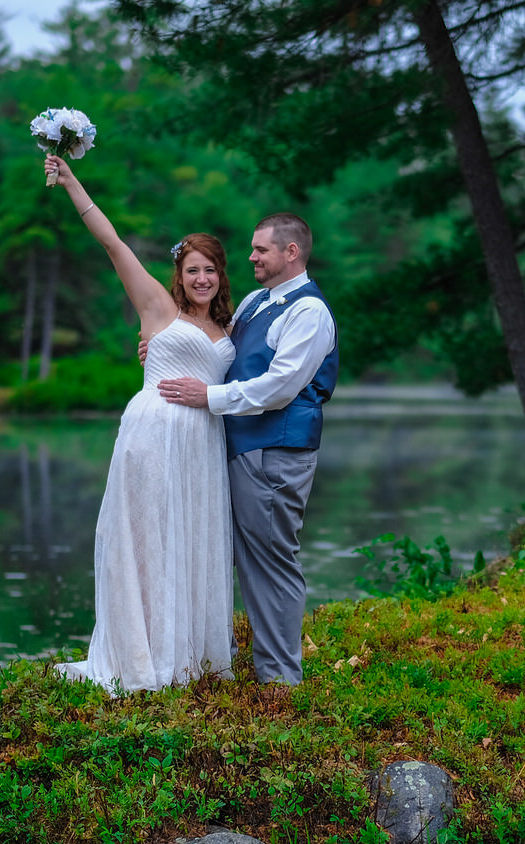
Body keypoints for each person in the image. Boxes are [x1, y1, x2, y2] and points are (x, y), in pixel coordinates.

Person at [44, 154, 234, 690]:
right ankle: (140, 654)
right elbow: (113, 243)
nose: (201, 278)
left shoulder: (229, 326)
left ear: (221, 277)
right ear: (180, 275)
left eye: (210, 269)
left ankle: (188, 651)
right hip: (154, 435)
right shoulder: (157, 308)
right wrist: (72, 182)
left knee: (189, 539)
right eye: (192, 269)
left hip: (201, 444)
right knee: (147, 538)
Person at [158, 214, 338, 686]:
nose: (252, 257)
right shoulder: (259, 302)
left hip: (277, 453)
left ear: (291, 252)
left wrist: (208, 398)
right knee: (230, 554)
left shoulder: (309, 312)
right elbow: (214, 344)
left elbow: (280, 387)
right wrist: (163, 348)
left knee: (272, 559)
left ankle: (280, 681)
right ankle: (225, 665)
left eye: (261, 249)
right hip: (239, 448)